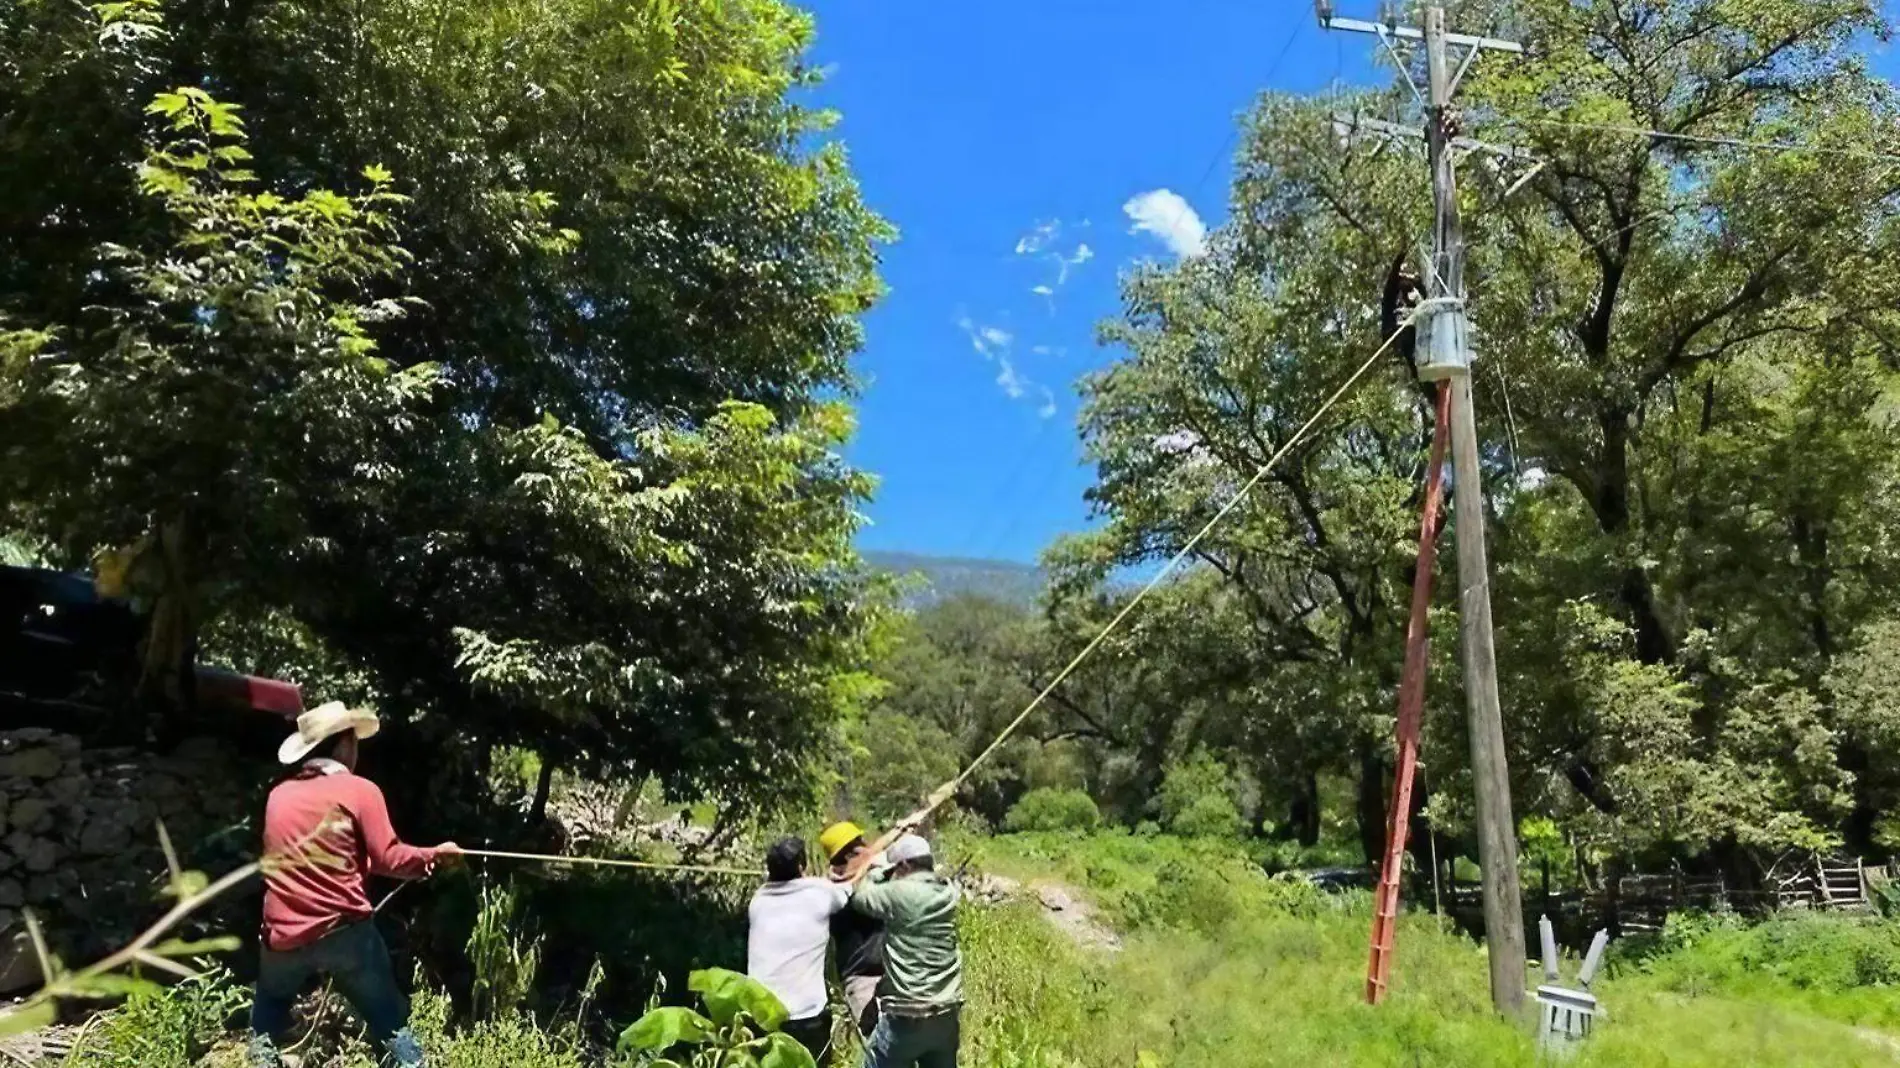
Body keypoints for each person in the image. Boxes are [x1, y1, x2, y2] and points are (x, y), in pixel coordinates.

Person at [249, 702, 461, 1068]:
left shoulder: (277, 795)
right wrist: (435, 856)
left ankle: (262, 1059)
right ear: (344, 744)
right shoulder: (359, 790)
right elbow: (389, 859)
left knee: (267, 1014)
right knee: (389, 1022)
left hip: (282, 936)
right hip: (344, 934)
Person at [846, 834, 961, 1068]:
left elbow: (860, 898)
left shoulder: (900, 892)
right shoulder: (948, 893)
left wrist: (877, 871)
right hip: (947, 1012)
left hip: (908, 1015)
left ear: (905, 865)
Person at [747, 836, 850, 1061]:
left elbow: (802, 892)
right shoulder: (820, 894)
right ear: (802, 866)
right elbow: (846, 889)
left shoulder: (758, 900)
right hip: (805, 1017)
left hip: (761, 1018)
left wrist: (821, 882)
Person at [820, 822, 888, 1039]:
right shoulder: (838, 895)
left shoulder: (860, 883)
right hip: (863, 982)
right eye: (859, 847)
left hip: (889, 977)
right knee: (878, 1048)